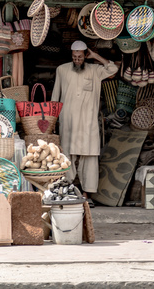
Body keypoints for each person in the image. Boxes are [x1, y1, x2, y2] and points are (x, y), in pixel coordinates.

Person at [51, 40, 118, 203]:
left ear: (85, 55)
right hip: (68, 122)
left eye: (80, 57)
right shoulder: (62, 70)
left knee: (89, 158)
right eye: (74, 57)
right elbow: (55, 98)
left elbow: (113, 69)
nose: (77, 59)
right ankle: (67, 190)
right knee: (67, 156)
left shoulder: (95, 70)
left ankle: (87, 194)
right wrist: (52, 120)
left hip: (88, 122)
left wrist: (96, 56)